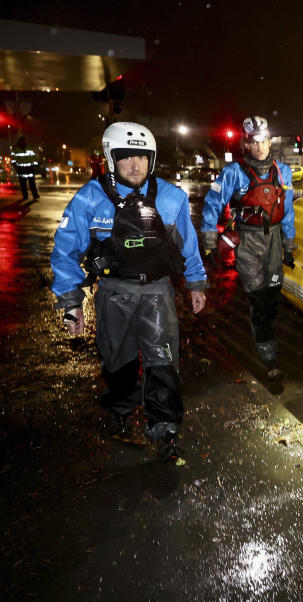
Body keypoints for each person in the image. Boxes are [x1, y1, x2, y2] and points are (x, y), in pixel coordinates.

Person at [50, 121, 208, 461]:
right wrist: (70, 301)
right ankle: (122, 410)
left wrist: (195, 284)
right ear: (110, 158)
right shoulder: (90, 199)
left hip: (158, 293)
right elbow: (64, 251)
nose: (135, 164)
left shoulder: (171, 198)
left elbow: (189, 248)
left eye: (142, 156)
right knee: (117, 361)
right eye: (125, 157)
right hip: (113, 293)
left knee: (163, 361)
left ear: (151, 159)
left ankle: (164, 428)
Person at [201, 116, 296, 381]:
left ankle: (265, 328)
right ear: (247, 144)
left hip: (275, 239)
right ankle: (269, 354)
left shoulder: (283, 171)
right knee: (257, 296)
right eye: (254, 142)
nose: (260, 146)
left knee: (273, 290)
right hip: (249, 242)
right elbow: (211, 205)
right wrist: (210, 241)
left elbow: (287, 211)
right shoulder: (233, 173)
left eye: (264, 140)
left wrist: (289, 244)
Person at [12, 136, 40, 201]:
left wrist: (35, 165)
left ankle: (34, 195)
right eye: (22, 141)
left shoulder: (28, 148)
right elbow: (13, 160)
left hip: (28, 168)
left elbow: (34, 158)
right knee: (23, 184)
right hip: (22, 169)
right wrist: (16, 167)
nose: (23, 142)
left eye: (23, 141)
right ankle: (26, 196)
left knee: (32, 183)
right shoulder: (16, 150)